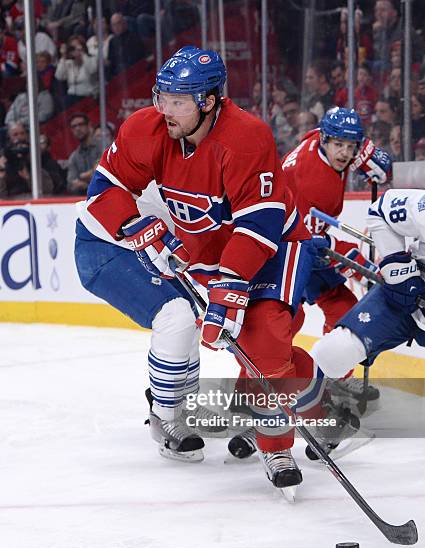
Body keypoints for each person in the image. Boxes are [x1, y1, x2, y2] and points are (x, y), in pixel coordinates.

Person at [74, 46, 330, 492]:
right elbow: (107, 187)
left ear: (209, 100)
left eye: (178, 100)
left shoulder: (247, 137)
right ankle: (316, 400)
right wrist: (131, 221)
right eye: (162, 96)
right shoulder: (148, 128)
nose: (165, 109)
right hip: (212, 253)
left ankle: (276, 446)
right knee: (241, 346)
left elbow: (260, 221)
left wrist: (230, 287)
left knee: (263, 337)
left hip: (275, 246)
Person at [281, 107, 392, 402]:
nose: (344, 153)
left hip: (300, 238)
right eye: (338, 145)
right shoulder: (315, 182)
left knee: (342, 307)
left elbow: (355, 150)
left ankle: (336, 376)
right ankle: (269, 379)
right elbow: (316, 245)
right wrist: (358, 263)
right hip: (285, 251)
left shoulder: (318, 140)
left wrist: (366, 153)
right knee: (286, 320)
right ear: (325, 141)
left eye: (350, 146)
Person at [311, 189, 425, 406]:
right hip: (409, 293)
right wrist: (397, 267)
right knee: (334, 352)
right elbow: (380, 209)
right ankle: (307, 416)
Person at [66, 113, 103, 195]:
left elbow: (102, 175)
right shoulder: (74, 156)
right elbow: (71, 183)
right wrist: (88, 175)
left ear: (89, 125)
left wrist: (82, 177)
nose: (77, 128)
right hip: (83, 199)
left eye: (81, 124)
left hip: (105, 196)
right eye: (74, 126)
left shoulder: (103, 146)